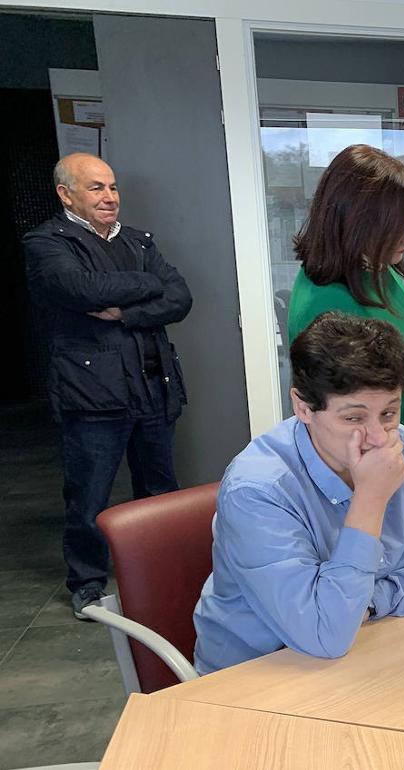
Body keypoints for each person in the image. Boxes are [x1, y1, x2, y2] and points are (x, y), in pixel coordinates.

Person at [193, 312, 404, 674]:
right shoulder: (257, 490)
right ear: (303, 407)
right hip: (261, 674)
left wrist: (378, 599)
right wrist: (370, 499)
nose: (379, 438)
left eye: (389, 413)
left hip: (377, 648)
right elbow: (324, 633)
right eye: (353, 418)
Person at [24, 153, 192, 620]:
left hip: (153, 387)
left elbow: (180, 297)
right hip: (92, 393)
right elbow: (80, 289)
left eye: (113, 187)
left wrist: (127, 311)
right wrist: (146, 285)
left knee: (160, 491)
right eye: (96, 187)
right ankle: (88, 583)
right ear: (66, 194)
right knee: (89, 495)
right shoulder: (46, 242)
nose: (110, 197)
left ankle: (165, 571)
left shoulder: (138, 240)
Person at [287, 144, 404, 452]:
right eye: (398, 230)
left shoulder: (376, 269)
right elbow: (349, 422)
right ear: (359, 225)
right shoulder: (323, 305)